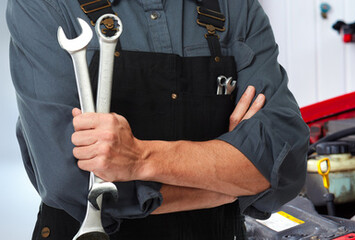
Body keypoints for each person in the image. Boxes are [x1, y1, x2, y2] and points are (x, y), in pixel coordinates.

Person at [7, 0, 309, 239]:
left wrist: (140, 159)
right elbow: (70, 184)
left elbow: (285, 160)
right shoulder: (44, 5)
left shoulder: (234, 6)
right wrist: (230, 182)